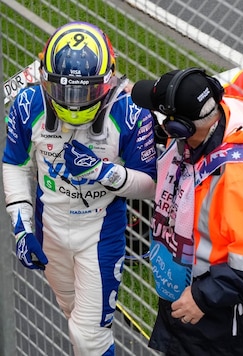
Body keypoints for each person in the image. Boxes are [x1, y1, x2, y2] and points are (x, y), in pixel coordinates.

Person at [131, 67, 243, 355]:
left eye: (164, 120)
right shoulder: (211, 127)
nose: (161, 126)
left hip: (230, 322)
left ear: (181, 128)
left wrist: (203, 298)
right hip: (210, 310)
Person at [2, 21, 157, 355]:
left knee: (89, 335)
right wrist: (21, 228)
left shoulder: (130, 112)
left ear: (108, 81)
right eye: (64, 91)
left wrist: (104, 173)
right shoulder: (28, 104)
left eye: (84, 92)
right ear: (44, 79)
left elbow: (150, 186)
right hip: (50, 232)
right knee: (73, 317)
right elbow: (14, 164)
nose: (73, 103)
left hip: (99, 236)